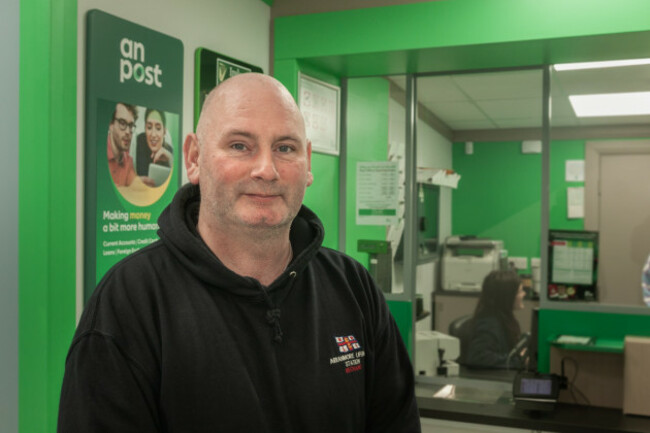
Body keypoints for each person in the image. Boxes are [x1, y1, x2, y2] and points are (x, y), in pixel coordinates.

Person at [58, 73, 421, 432]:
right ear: (195, 157)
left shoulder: (353, 287)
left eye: (285, 148)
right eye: (239, 145)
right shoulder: (131, 301)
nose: (266, 169)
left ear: (307, 163)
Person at [463, 269, 528, 369]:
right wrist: (518, 360)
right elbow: (478, 358)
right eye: (520, 291)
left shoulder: (503, 318)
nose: (524, 294)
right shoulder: (488, 325)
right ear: (507, 296)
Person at [135, 108, 173, 179]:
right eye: (149, 127)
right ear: (145, 129)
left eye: (158, 128)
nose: (153, 134)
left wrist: (170, 159)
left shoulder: (170, 150)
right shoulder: (139, 141)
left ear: (164, 131)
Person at [107, 102, 138, 187]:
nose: (128, 131)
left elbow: (134, 191)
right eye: (122, 123)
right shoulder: (98, 153)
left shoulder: (128, 161)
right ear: (111, 125)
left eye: (131, 126)